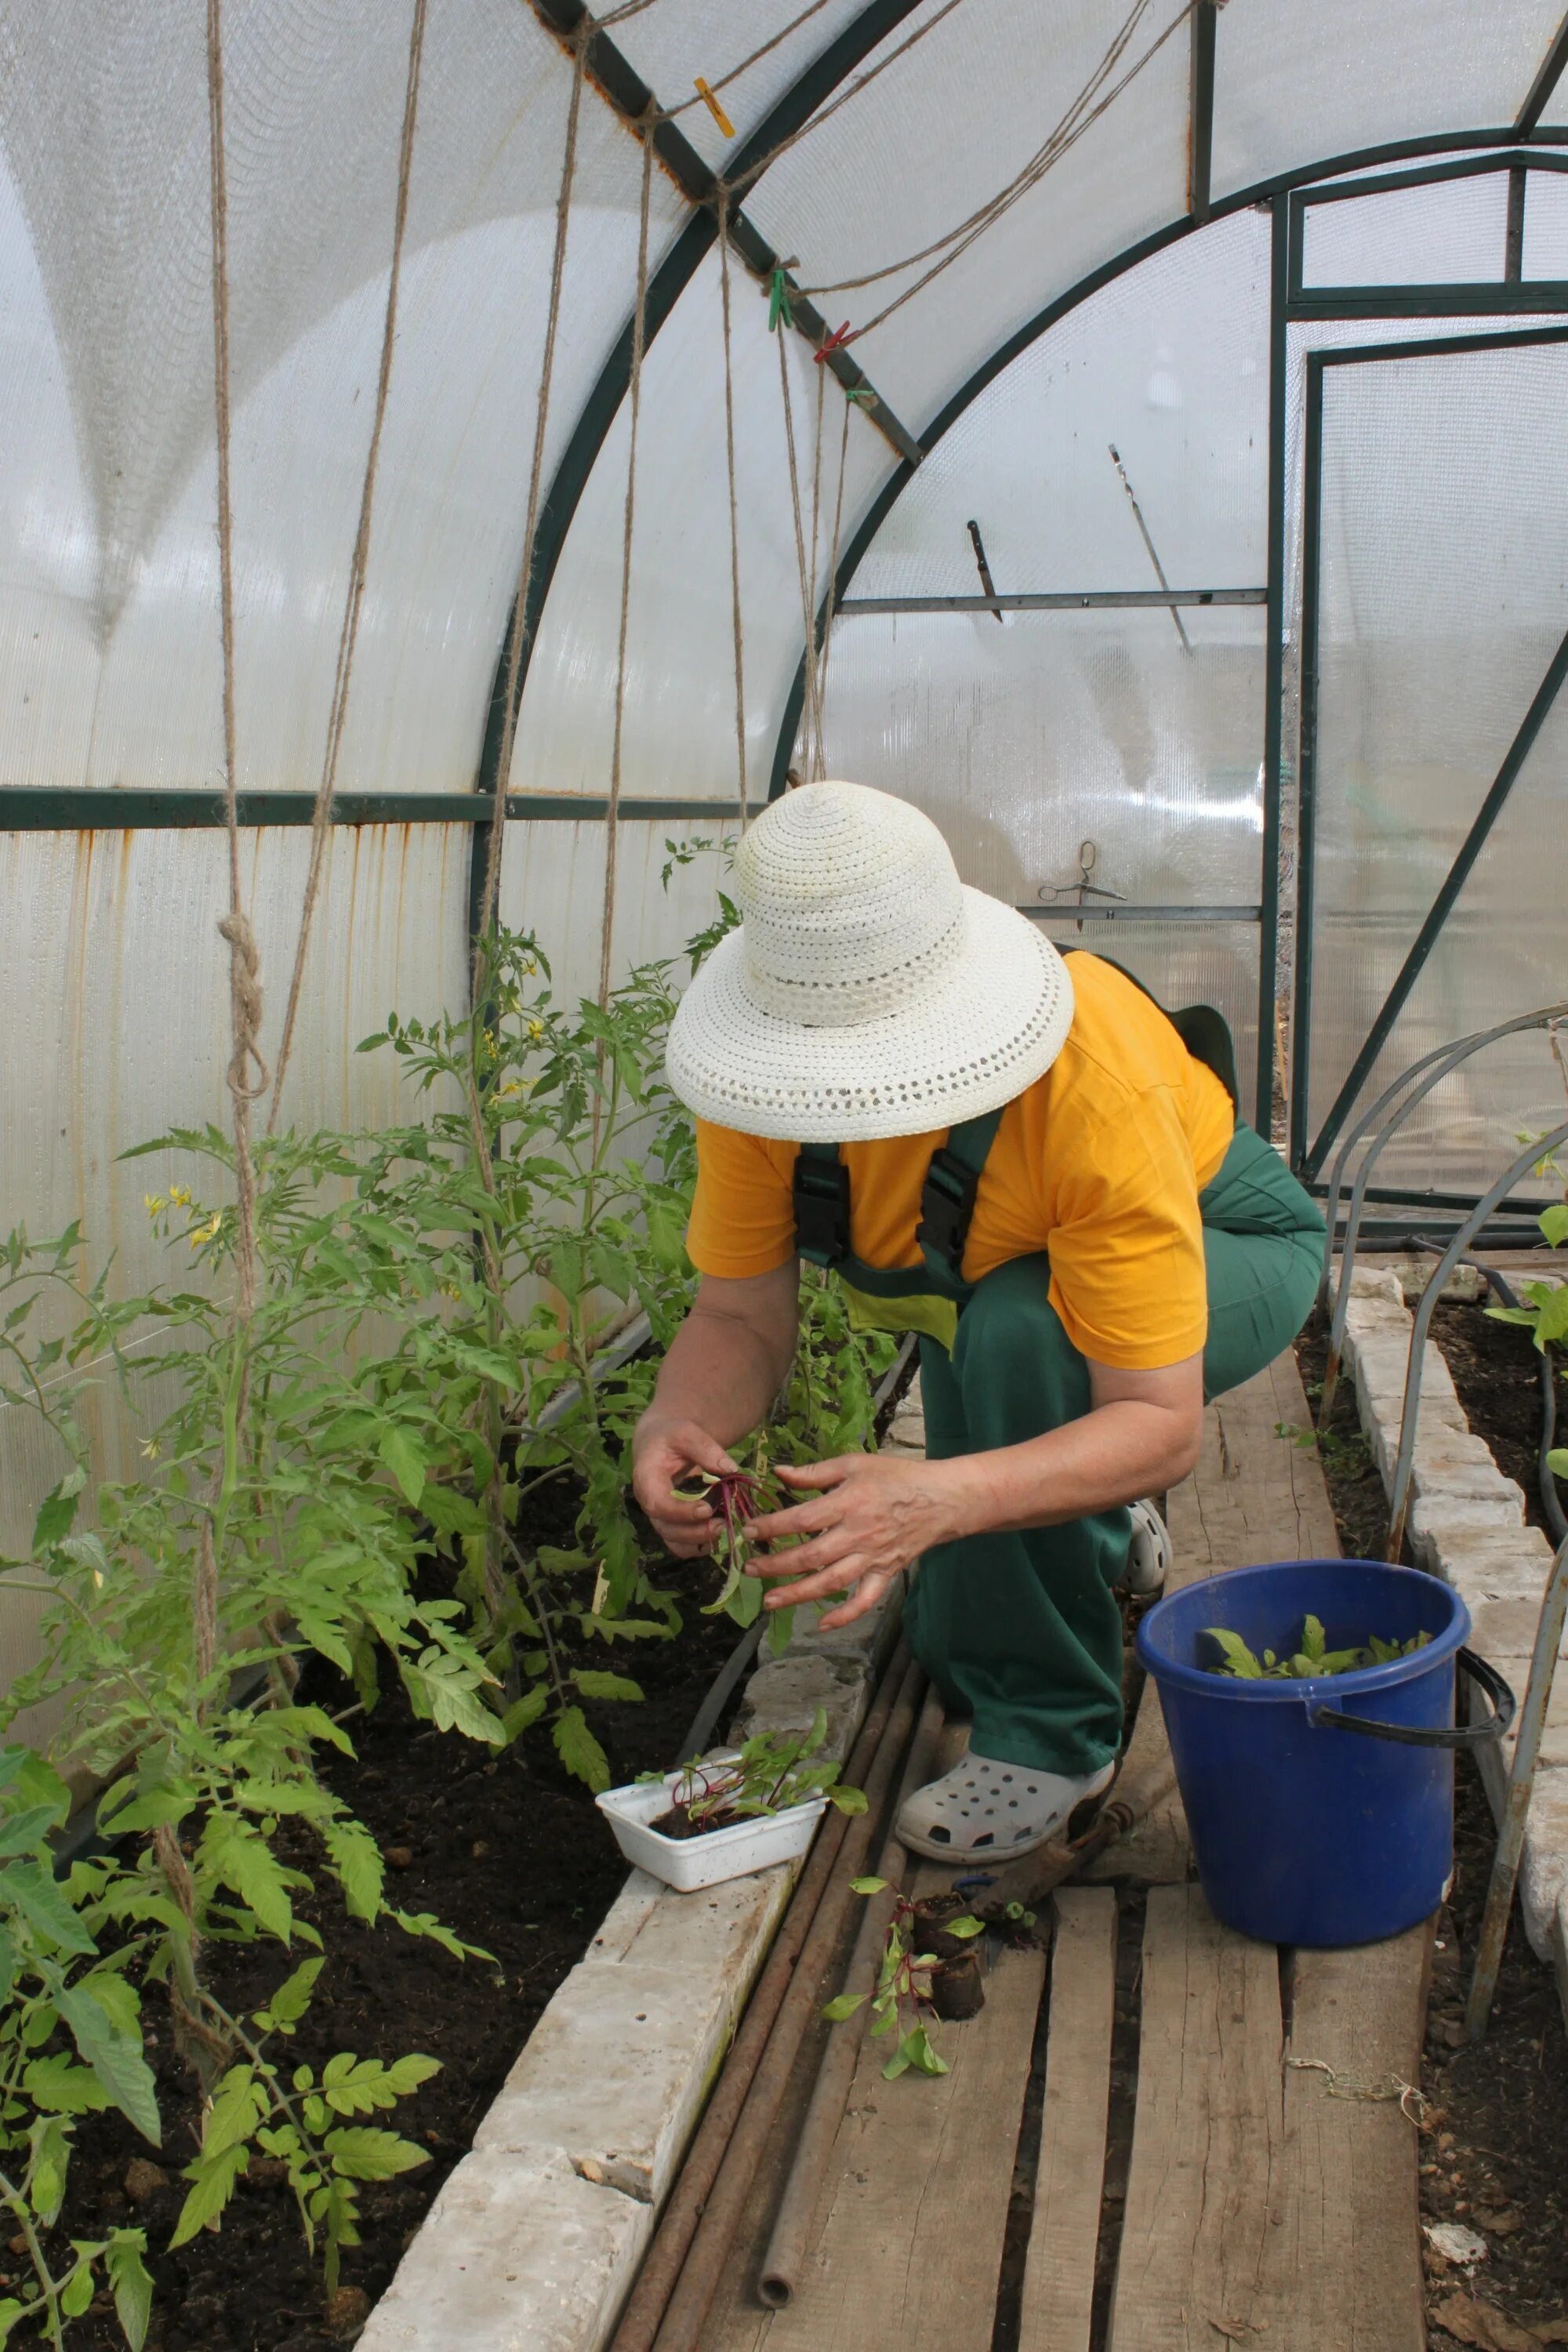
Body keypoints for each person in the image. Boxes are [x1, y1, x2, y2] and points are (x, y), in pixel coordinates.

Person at [631, 782, 1323, 1861]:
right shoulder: (758, 1088)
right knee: (956, 1626)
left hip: (1228, 1239)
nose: (847, 1100)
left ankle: (1052, 1735)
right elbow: (738, 1314)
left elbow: (1158, 1419)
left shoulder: (1089, 1077)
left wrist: (941, 1495)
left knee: (1016, 1342)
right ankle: (1092, 1520)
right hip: (1004, 1284)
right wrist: (677, 1418)